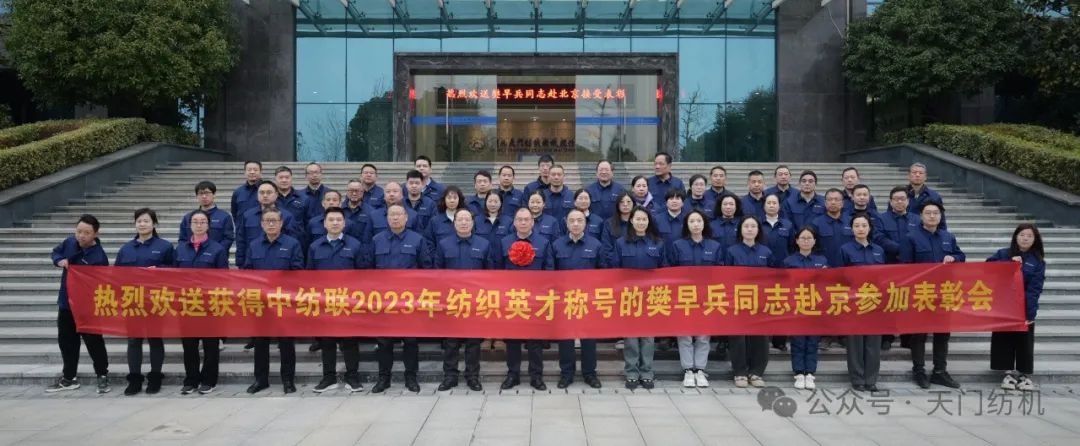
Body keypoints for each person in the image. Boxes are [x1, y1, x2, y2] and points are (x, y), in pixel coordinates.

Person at [900, 200, 965, 389]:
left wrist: (954, 257)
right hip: (921, 294)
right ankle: (919, 370)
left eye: (935, 213)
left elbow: (961, 256)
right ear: (921, 216)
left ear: (940, 216)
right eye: (928, 213)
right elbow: (905, 267)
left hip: (944, 292)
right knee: (919, 335)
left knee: (942, 334)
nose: (932, 216)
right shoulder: (911, 237)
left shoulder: (948, 236)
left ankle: (940, 371)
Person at [368, 204, 431, 393]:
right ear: (387, 218)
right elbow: (368, 270)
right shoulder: (377, 240)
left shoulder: (417, 239)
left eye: (399, 214)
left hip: (409, 300)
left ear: (406, 217)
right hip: (384, 301)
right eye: (391, 215)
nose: (395, 218)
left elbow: (426, 269)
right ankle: (383, 378)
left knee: (410, 341)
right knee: (384, 342)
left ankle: (411, 377)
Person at [46, 214, 111, 394]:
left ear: (95, 234)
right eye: (79, 231)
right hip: (66, 303)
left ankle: (102, 375)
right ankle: (69, 377)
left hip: (87, 307)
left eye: (86, 233)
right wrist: (59, 260)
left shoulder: (99, 256)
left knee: (94, 342)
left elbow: (102, 283)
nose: (81, 236)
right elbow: (55, 252)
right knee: (67, 342)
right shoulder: (69, 242)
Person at [242, 208, 304, 394]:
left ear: (281, 223)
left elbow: (298, 271)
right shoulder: (254, 245)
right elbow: (247, 271)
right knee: (260, 343)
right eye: (267, 221)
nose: (271, 224)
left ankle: (288, 380)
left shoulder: (292, 244)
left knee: (286, 343)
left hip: (283, 301)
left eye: (274, 220)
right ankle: (261, 380)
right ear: (261, 224)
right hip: (261, 302)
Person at [115, 208, 175, 396]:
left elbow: (176, 272)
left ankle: (155, 377)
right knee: (134, 340)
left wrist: (159, 270)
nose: (142, 224)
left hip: (155, 299)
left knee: (155, 339)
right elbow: (116, 274)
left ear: (154, 224)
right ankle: (134, 379)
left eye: (146, 221)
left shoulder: (165, 246)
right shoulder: (126, 248)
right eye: (139, 221)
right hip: (132, 300)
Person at [308, 207, 368, 394]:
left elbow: (363, 274)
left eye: (338, 220)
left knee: (350, 341)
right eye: (331, 220)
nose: (335, 223)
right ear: (324, 223)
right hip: (325, 302)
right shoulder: (315, 246)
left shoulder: (355, 245)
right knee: (327, 341)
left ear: (344, 223)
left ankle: (352, 376)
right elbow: (308, 276)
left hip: (348, 302)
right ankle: (329, 377)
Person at [495, 207, 555, 391]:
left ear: (532, 222)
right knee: (512, 340)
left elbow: (549, 270)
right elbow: (497, 269)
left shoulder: (543, 242)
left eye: (526, 219)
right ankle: (512, 374)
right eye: (519, 219)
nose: (523, 222)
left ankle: (536, 376)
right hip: (512, 299)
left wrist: (543, 294)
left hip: (535, 300)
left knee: (535, 341)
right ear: (514, 222)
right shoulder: (504, 242)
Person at [434, 208, 492, 392]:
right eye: (460, 219)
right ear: (454, 223)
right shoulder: (444, 244)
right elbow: (437, 272)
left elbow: (490, 273)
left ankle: (472, 376)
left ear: (473, 223)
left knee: (473, 342)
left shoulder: (484, 244)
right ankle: (450, 376)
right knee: (451, 342)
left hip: (474, 301)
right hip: (451, 301)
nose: (464, 222)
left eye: (467, 219)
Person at [610, 206, 668, 390]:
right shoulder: (621, 243)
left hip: (651, 297)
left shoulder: (658, 243)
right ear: (631, 221)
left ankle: (647, 372)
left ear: (648, 221)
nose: (641, 222)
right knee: (631, 337)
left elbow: (665, 270)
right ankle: (631, 372)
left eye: (644, 219)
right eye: (638, 219)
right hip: (629, 297)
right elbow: (615, 270)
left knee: (648, 337)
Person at [173, 210, 228, 395]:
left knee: (211, 346)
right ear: (189, 225)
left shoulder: (217, 249)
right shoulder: (180, 249)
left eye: (203, 221)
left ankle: (209, 380)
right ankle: (191, 379)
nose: (199, 225)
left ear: (208, 225)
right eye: (195, 221)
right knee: (189, 346)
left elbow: (223, 278)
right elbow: (173, 276)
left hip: (209, 305)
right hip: (187, 304)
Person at [667, 210, 722, 388]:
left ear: (704, 224)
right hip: (684, 297)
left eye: (699, 221)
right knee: (684, 334)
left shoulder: (715, 246)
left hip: (707, 297)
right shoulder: (678, 245)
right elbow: (670, 272)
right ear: (687, 225)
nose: (696, 224)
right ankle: (688, 370)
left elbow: (721, 272)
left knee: (703, 335)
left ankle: (700, 369)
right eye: (692, 221)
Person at [552, 209, 606, 389]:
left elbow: (603, 272)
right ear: (566, 223)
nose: (576, 224)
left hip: (588, 300)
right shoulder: (557, 245)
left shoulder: (596, 245)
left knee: (588, 339)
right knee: (566, 339)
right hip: (564, 300)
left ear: (585, 223)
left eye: (579, 220)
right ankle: (566, 374)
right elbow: (551, 273)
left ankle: (590, 373)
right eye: (572, 221)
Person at [988, 223, 1045, 392]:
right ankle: (1007, 373)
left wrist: (1029, 313)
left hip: (1024, 306)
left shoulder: (1037, 261)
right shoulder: (1003, 253)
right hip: (1004, 305)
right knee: (1004, 339)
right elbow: (987, 267)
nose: (1025, 238)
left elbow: (1035, 289)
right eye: (1022, 235)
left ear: (1035, 239)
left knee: (1024, 341)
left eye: (1029, 236)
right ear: (1016, 237)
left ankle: (1023, 374)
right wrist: (1008, 263)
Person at [726, 216, 773, 388]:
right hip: (738, 300)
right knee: (738, 337)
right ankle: (739, 371)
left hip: (760, 301)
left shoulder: (766, 252)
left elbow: (772, 277)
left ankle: (756, 372)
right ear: (740, 230)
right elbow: (725, 277)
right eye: (746, 226)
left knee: (760, 337)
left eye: (753, 226)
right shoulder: (732, 251)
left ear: (758, 230)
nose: (750, 229)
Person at [840, 212, 886, 392]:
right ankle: (857, 378)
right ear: (851, 229)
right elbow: (839, 277)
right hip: (854, 302)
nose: (860, 229)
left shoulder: (879, 250)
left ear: (869, 228)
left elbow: (884, 276)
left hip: (874, 302)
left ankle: (871, 379)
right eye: (857, 226)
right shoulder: (845, 249)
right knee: (855, 344)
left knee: (873, 343)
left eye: (864, 225)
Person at [875, 186, 921, 351]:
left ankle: (907, 337)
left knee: (909, 302)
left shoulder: (917, 219)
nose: (899, 202)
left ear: (908, 201)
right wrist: (900, 249)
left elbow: (921, 238)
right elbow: (878, 237)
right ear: (890, 201)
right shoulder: (881, 218)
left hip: (911, 268)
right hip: (889, 266)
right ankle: (887, 336)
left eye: (902, 199)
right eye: (896, 199)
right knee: (888, 301)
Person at [783, 227, 827, 390]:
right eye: (803, 238)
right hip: (796, 306)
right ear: (797, 241)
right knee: (798, 341)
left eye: (809, 238)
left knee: (813, 341)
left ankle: (810, 373)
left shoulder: (822, 261)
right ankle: (799, 373)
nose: (806, 241)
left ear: (814, 241)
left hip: (815, 306)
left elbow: (827, 284)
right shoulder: (789, 261)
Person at [236, 181, 301, 268]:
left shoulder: (286, 216)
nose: (265, 195)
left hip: (280, 262)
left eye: (269, 192)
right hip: (255, 261)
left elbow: (292, 241)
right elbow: (241, 240)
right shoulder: (247, 215)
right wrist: (240, 262)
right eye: (261, 192)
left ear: (276, 195)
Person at [761, 194, 794, 351]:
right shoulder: (757, 224)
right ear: (764, 206)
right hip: (763, 270)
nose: (772, 205)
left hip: (782, 271)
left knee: (781, 304)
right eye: (769, 202)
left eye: (774, 203)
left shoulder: (787, 225)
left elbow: (792, 246)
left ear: (779, 206)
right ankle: (763, 337)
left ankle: (779, 340)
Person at [178, 181, 235, 256]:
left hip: (216, 257)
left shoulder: (224, 216)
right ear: (197, 196)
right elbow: (182, 239)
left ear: (214, 194)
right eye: (201, 193)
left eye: (207, 193)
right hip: (192, 257)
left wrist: (215, 252)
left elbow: (228, 239)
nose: (204, 196)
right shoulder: (188, 217)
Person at [906, 162, 947, 229]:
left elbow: (941, 222)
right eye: (914, 172)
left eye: (921, 173)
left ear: (925, 177)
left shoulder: (934, 196)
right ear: (909, 176)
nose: (917, 175)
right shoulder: (900, 195)